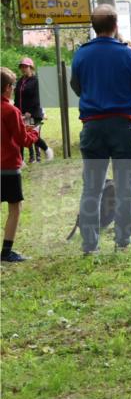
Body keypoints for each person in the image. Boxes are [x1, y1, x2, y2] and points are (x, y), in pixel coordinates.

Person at [70, 4, 131, 254]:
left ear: (94, 27)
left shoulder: (81, 55)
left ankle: (89, 244)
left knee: (91, 186)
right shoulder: (129, 54)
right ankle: (122, 241)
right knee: (126, 186)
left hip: (93, 125)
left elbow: (77, 87)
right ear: (116, 26)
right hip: (124, 125)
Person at [1, 67, 37, 262]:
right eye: (13, 86)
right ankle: (6, 252)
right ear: (7, 88)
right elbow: (23, 139)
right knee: (15, 207)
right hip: (7, 167)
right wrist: (35, 132)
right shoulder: (10, 110)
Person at [14, 58, 53, 162]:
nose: (23, 69)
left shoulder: (36, 81)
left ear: (31, 68)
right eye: (22, 67)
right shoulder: (20, 82)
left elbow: (37, 98)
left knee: (31, 135)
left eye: (26, 66)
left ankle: (47, 150)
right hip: (21, 114)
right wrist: (16, 111)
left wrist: (29, 112)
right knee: (20, 135)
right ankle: (21, 161)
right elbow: (17, 98)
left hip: (33, 114)